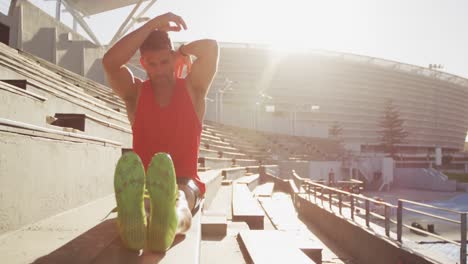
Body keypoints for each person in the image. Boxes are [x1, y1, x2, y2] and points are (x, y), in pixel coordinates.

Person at [102, 12, 219, 252]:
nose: (159, 70)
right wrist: (152, 25)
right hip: (144, 182)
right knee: (147, 201)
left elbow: (211, 48)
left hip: (186, 181)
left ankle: (165, 226)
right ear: (143, 63)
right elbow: (110, 63)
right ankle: (137, 222)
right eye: (151, 64)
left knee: (182, 199)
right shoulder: (135, 94)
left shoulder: (193, 88)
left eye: (165, 61)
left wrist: (184, 50)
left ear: (173, 58)